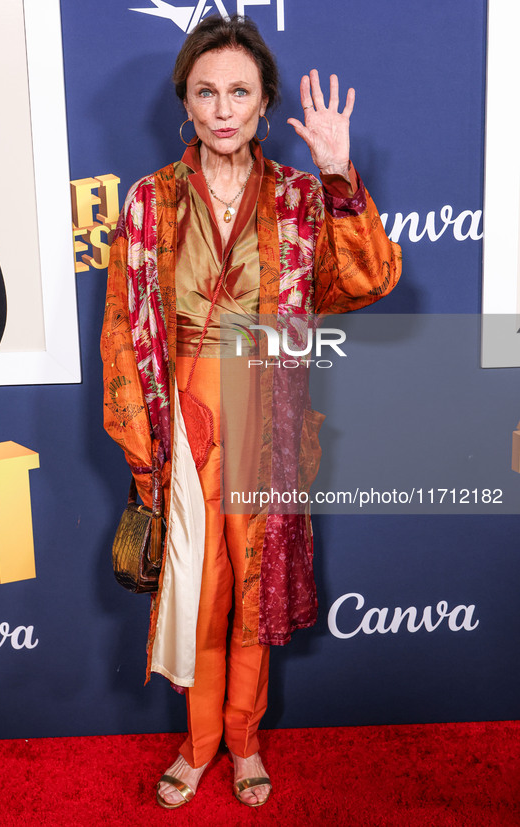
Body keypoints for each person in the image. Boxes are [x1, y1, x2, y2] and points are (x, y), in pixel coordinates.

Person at [101, 13, 401, 809]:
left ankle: (244, 741)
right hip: (182, 421)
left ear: (264, 103)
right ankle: (197, 746)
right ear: (186, 105)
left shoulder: (302, 199)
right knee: (198, 593)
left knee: (253, 593)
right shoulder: (147, 202)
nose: (223, 106)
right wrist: (143, 448)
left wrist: (339, 175)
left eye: (240, 90)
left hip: (265, 418)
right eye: (207, 91)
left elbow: (368, 281)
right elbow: (121, 333)